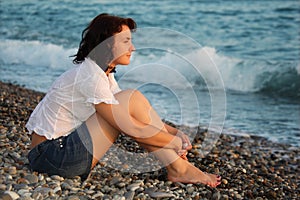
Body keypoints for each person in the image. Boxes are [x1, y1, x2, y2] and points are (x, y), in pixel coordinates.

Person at [26, 13, 221, 187]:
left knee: (131, 100)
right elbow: (132, 128)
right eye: (126, 41)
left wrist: (174, 132)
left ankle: (178, 168)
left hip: (61, 153)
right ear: (107, 43)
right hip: (53, 156)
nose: (133, 48)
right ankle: (179, 169)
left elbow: (136, 115)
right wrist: (173, 143)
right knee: (128, 101)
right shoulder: (90, 76)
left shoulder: (103, 75)